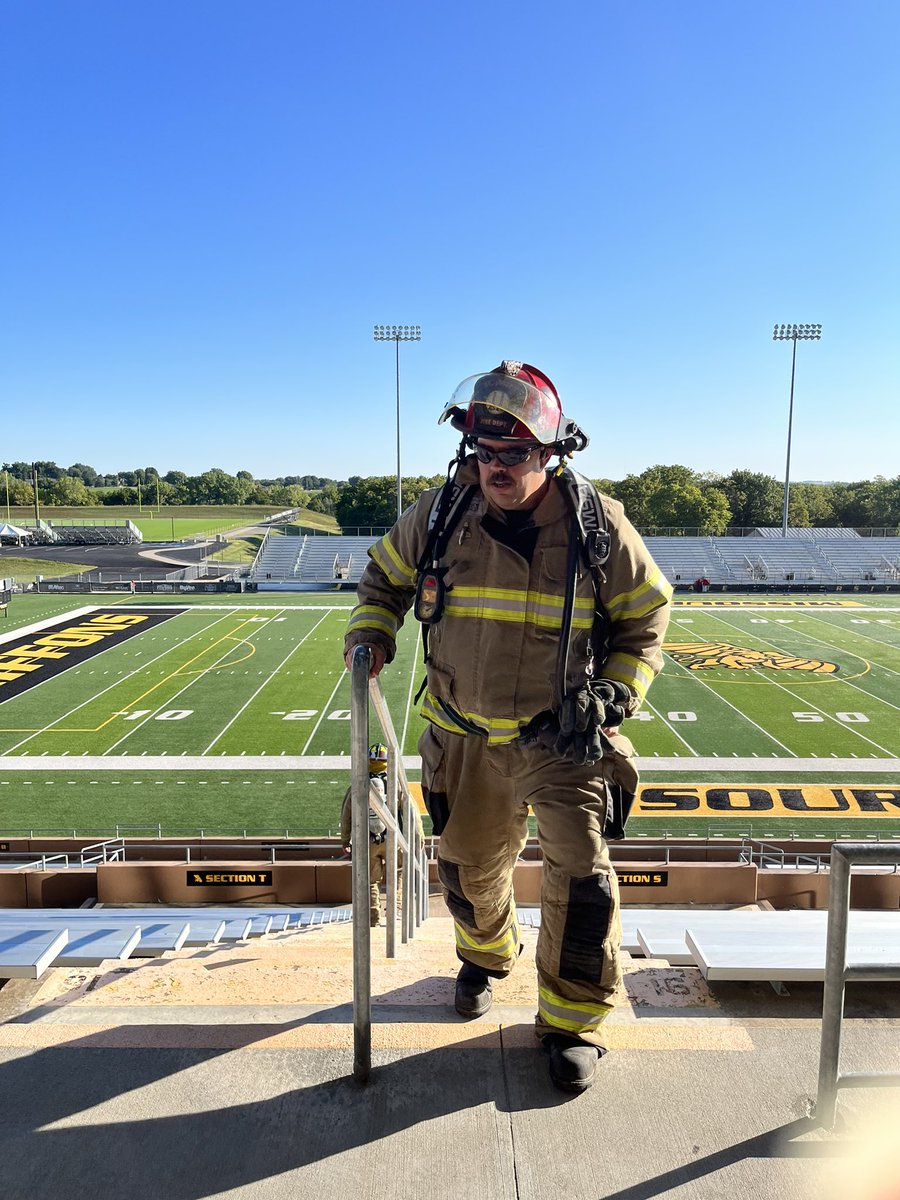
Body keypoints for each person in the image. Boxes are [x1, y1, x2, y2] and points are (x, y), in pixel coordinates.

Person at [343, 360, 671, 1092]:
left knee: (583, 885)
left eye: (514, 454)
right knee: (465, 875)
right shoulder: (437, 515)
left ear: (552, 452)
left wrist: (615, 696)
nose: (495, 468)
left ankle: (571, 1022)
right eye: (484, 453)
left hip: (563, 741)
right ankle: (488, 958)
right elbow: (383, 580)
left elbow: (647, 618)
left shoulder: (598, 527)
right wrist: (372, 635)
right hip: (461, 737)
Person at [340, 741, 397, 927]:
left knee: (372, 881)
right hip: (391, 839)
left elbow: (346, 813)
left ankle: (374, 919)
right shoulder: (394, 783)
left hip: (367, 840)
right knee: (398, 873)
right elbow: (409, 811)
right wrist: (417, 834)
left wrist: (345, 839)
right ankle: (395, 912)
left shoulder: (359, 782)